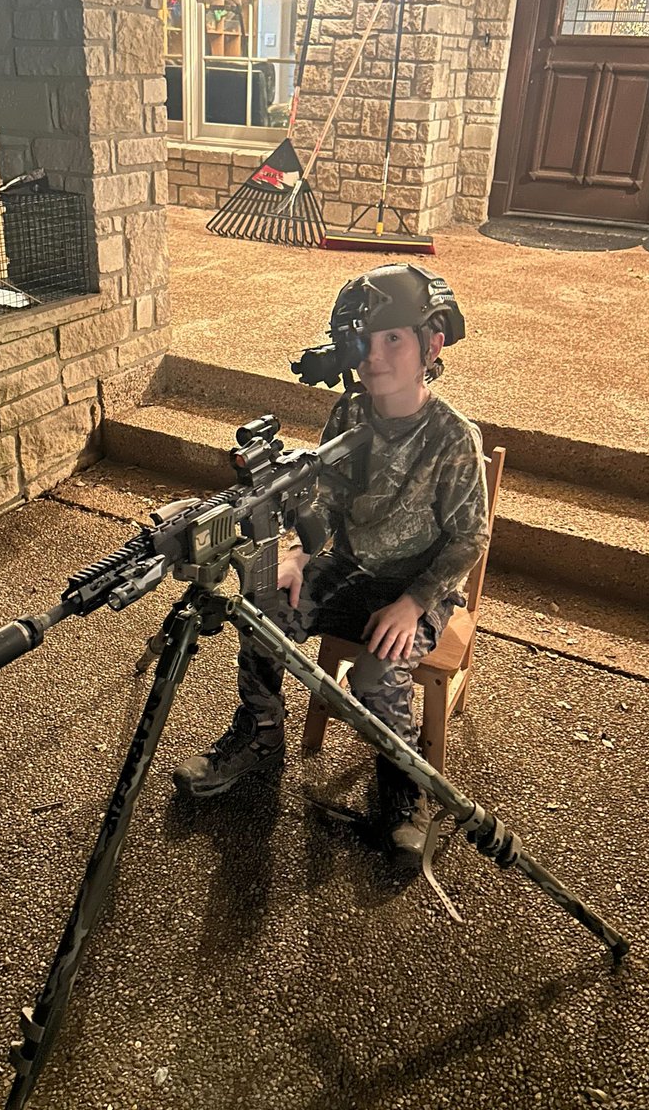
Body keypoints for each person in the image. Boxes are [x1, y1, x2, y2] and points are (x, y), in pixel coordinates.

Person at [173, 263, 490, 867]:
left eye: (393, 338)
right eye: (365, 339)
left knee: (377, 675)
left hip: (413, 585)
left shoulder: (453, 436)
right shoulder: (349, 415)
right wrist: (298, 551)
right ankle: (261, 734)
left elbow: (469, 539)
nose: (376, 355)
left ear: (432, 343)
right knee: (260, 614)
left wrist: (414, 603)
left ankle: (403, 785)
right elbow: (323, 494)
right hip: (345, 565)